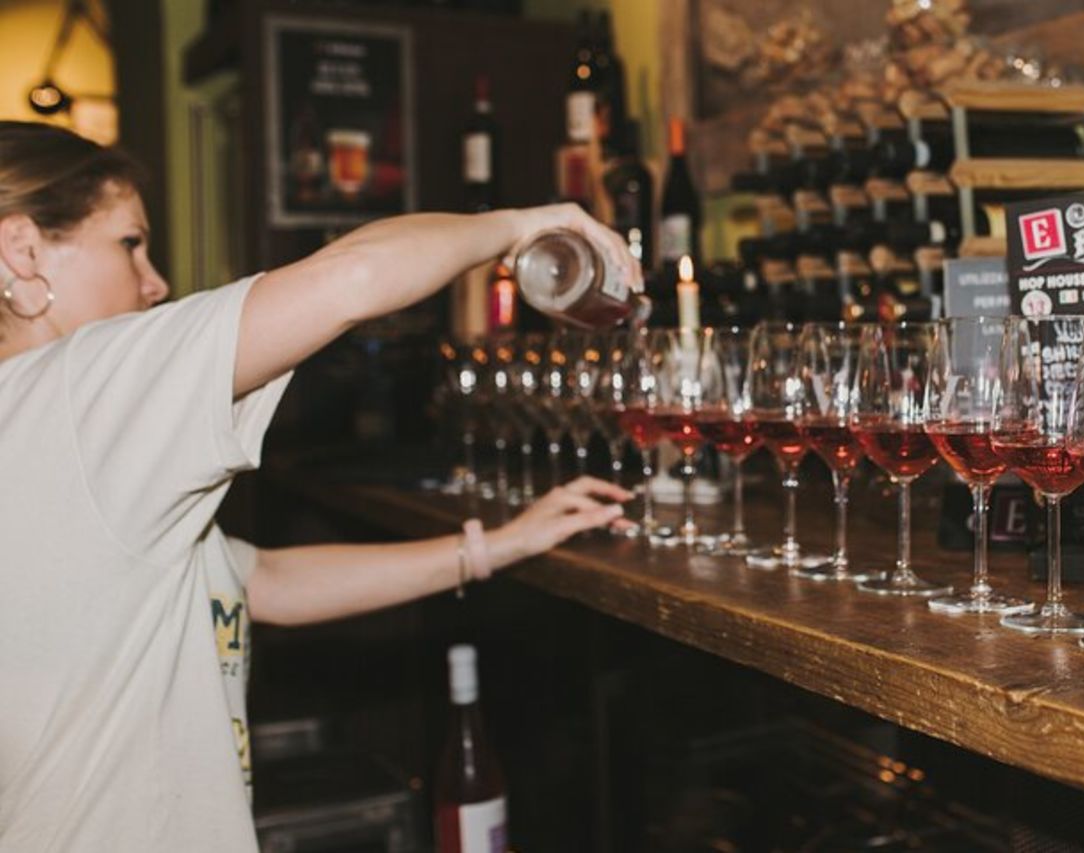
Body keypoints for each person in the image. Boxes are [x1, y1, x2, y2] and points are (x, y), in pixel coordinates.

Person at [0, 120, 638, 851]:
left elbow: (257, 579)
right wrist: (527, 223)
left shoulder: (41, 428)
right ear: (21, 250)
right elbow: (354, 279)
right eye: (129, 243)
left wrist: (497, 544)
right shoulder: (78, 394)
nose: (155, 281)